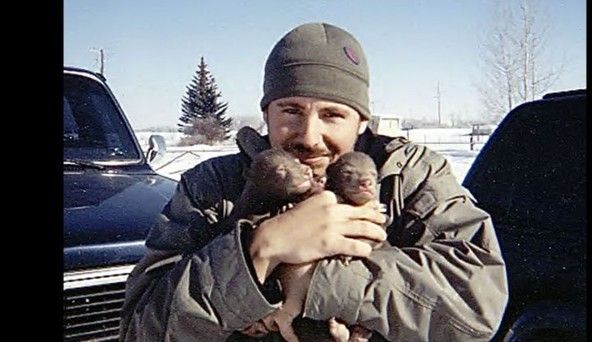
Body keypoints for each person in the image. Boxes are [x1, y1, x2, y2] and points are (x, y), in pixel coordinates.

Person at [119, 22, 508, 342]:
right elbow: (141, 330)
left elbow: (477, 307)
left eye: (333, 114)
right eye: (291, 110)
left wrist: (313, 280)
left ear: (361, 122)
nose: (309, 135)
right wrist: (259, 250)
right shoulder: (211, 187)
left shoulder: (410, 176)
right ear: (266, 114)